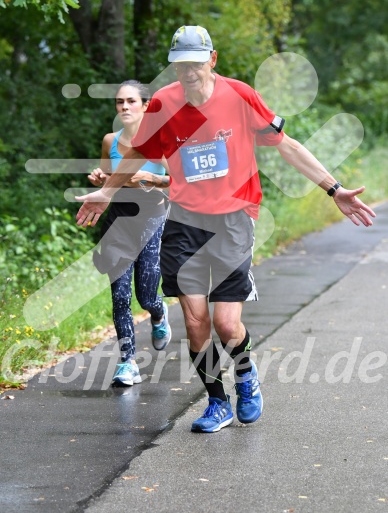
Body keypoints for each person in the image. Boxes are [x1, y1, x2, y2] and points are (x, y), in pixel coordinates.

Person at [76, 26, 376, 430]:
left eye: (196, 63)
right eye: (181, 65)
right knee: (196, 320)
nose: (189, 72)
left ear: (212, 60)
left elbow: (286, 144)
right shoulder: (163, 102)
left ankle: (246, 377)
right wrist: (107, 193)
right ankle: (217, 402)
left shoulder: (238, 96)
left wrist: (334, 189)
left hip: (234, 219)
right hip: (184, 221)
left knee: (226, 324)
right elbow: (136, 154)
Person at [89, 80, 171, 387]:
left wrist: (149, 177)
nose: (124, 107)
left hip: (152, 220)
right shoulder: (110, 139)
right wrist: (100, 178)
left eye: (131, 101)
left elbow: (178, 182)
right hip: (118, 223)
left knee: (146, 294)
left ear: (146, 106)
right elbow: (106, 181)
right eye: (119, 102)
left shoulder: (162, 141)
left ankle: (159, 313)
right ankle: (127, 362)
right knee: (120, 296)